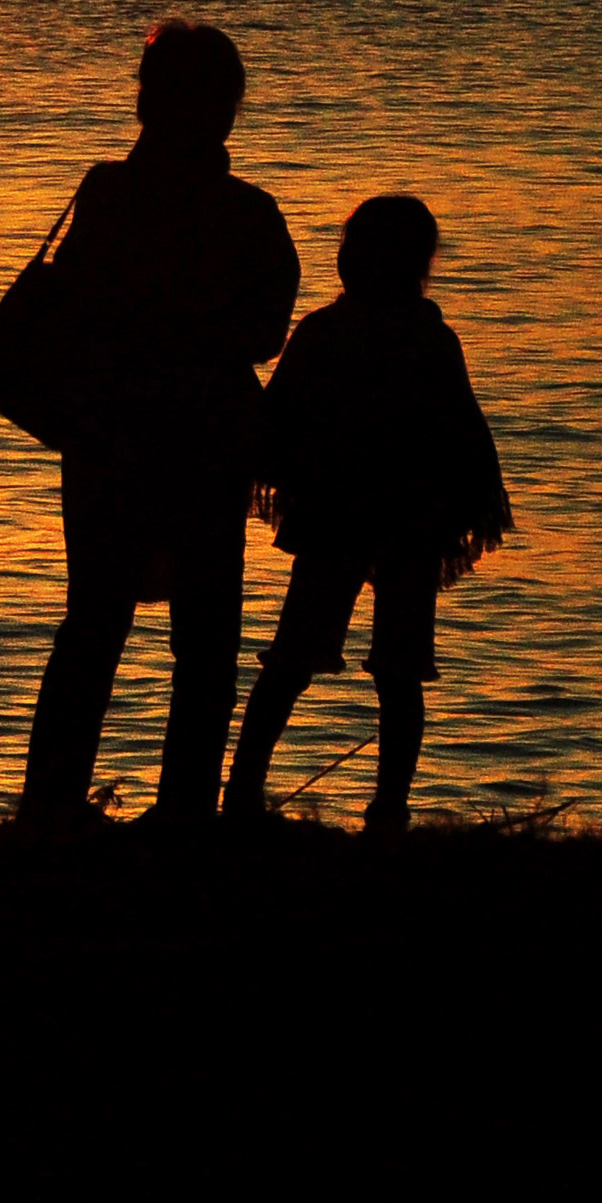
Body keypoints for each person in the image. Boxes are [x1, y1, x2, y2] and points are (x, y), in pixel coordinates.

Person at [11, 19, 300, 827]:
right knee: (205, 638)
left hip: (107, 430)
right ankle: (184, 815)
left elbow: (67, 308)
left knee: (93, 622)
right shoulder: (249, 212)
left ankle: (51, 807)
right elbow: (264, 334)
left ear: (145, 100)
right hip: (206, 435)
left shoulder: (105, 192)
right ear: (228, 109)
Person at [224, 195, 512, 832]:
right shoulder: (430, 339)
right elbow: (464, 441)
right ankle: (388, 811)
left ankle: (242, 793)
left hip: (337, 516)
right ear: (420, 261)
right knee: (398, 674)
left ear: (351, 257)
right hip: (407, 522)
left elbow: (276, 427)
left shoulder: (326, 332)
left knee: (295, 660)